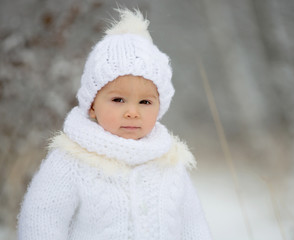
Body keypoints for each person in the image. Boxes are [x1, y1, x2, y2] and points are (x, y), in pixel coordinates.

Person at [18, 8, 212, 240]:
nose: (132, 112)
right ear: (92, 105)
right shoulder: (72, 159)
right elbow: (42, 218)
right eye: (118, 100)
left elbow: (193, 225)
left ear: (160, 107)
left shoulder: (168, 162)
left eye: (145, 102)